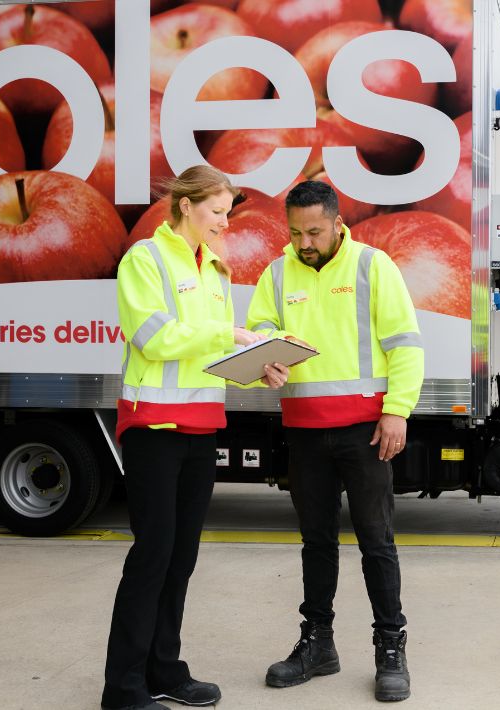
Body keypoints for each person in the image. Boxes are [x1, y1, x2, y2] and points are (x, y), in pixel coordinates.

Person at [102, 165, 289, 710]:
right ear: (185, 206)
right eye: (216, 211)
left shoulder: (217, 272)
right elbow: (154, 338)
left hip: (201, 428)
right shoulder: (145, 259)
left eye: (228, 212)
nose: (224, 222)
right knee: (152, 556)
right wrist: (227, 332)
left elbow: (208, 356)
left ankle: (164, 670)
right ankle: (123, 688)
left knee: (180, 558)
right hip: (153, 429)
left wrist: (258, 365)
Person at [246, 180, 424, 703]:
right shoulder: (277, 274)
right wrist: (265, 367)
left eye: (315, 232)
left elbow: (406, 345)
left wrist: (398, 411)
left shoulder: (373, 266)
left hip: (365, 433)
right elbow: (257, 336)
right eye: (296, 232)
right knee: (316, 543)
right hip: (304, 432)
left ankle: (390, 647)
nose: (305, 242)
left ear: (338, 223)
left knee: (377, 542)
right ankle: (317, 645)